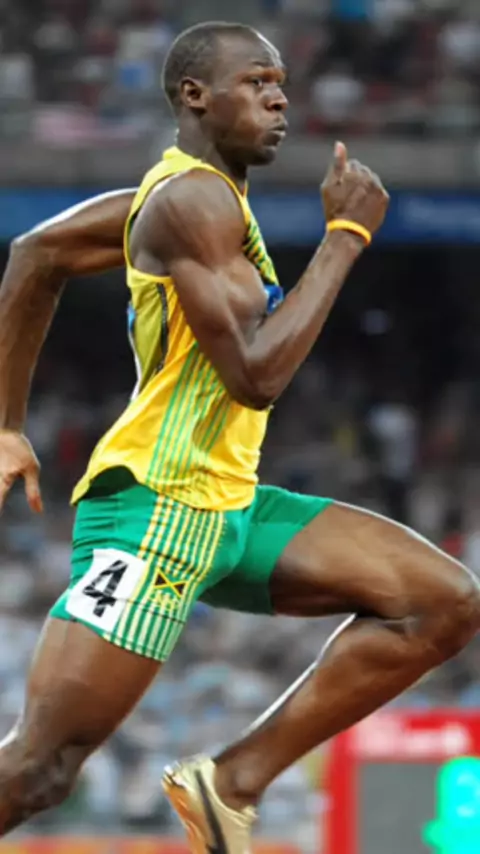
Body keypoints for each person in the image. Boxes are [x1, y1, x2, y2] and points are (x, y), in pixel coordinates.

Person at [0, 20, 478, 853]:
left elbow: (37, 253)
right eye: (257, 82)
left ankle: (230, 783)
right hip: (154, 513)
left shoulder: (190, 201)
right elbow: (255, 375)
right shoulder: (191, 202)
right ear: (195, 96)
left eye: (281, 83)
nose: (280, 99)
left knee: (441, 601)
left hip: (227, 507)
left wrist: (8, 424)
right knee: (42, 767)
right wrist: (344, 239)